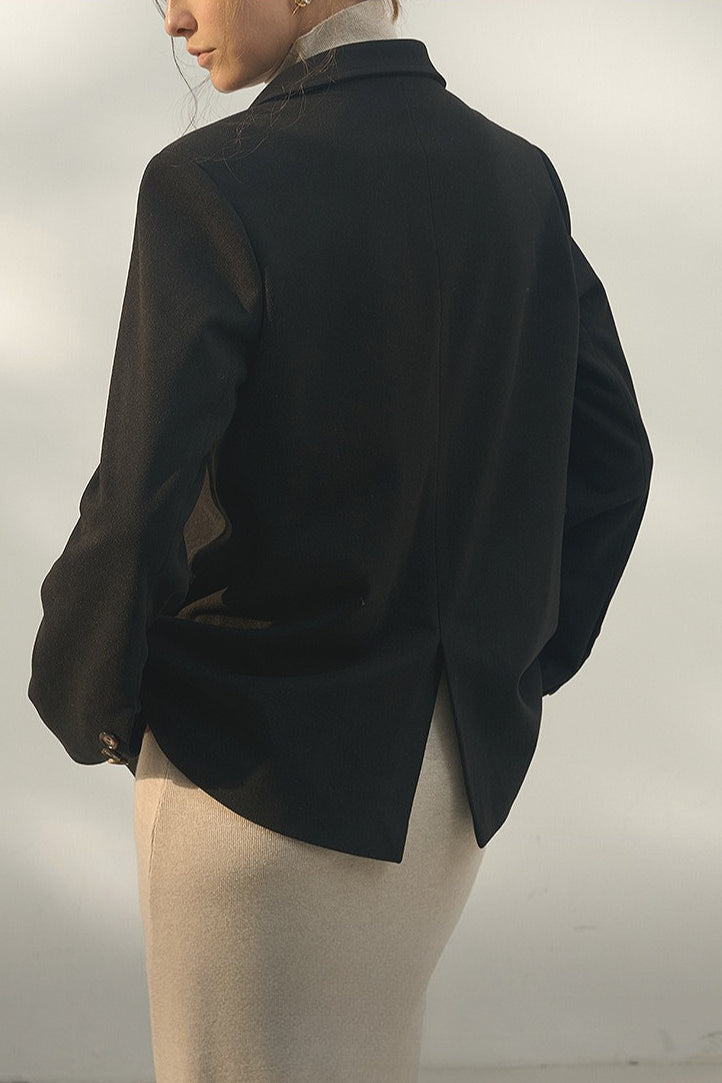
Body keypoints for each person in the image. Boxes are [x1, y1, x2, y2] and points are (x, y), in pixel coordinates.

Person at [26, 0, 654, 1079]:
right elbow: (614, 462)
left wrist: (86, 697)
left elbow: (139, 498)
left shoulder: (209, 182)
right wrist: (505, 664)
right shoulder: (519, 178)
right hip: (448, 781)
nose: (173, 19)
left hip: (252, 774)